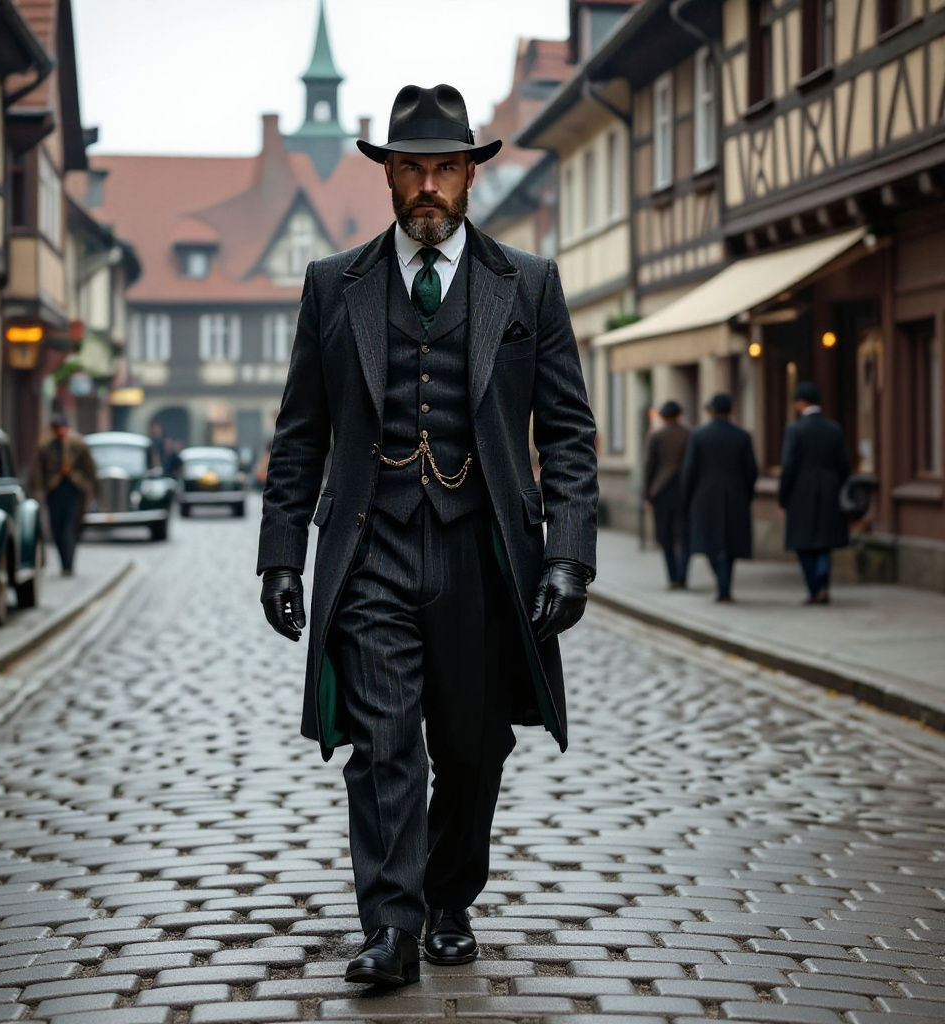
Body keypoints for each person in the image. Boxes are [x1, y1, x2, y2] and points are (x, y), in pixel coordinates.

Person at [256, 84, 598, 987]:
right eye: (413, 168)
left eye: (447, 167)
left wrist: (568, 551)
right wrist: (282, 554)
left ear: (471, 175)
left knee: (474, 748)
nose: (430, 186)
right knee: (384, 745)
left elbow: (566, 430)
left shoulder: (528, 284)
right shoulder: (336, 284)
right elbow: (300, 433)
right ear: (389, 175)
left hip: (485, 554)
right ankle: (391, 928)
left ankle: (450, 899)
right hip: (371, 548)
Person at [778, 381, 851, 604]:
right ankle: (823, 577)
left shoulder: (795, 429)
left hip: (801, 492)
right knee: (824, 540)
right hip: (830, 489)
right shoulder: (834, 428)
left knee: (803, 543)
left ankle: (814, 587)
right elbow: (844, 464)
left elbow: (788, 465)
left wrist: (783, 496)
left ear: (800, 403)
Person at [681, 392, 757, 602]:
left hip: (704, 497)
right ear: (731, 411)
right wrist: (746, 494)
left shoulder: (699, 435)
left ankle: (722, 584)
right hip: (736, 495)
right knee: (731, 544)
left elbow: (689, 470)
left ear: (712, 411)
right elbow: (751, 471)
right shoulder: (742, 436)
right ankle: (725, 585)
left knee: (708, 543)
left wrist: (687, 498)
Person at [30, 412, 97, 576]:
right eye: (56, 428)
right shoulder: (46, 446)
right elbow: (38, 471)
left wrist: (88, 487)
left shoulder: (78, 444)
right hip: (54, 490)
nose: (60, 431)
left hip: (74, 489)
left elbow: (89, 468)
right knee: (56, 528)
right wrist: (39, 490)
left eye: (62, 427)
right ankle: (63, 561)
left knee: (70, 527)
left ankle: (68, 564)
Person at [643, 399, 690, 588]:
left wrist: (647, 495)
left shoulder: (656, 436)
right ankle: (682, 575)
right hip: (684, 490)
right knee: (684, 535)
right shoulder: (689, 434)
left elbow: (650, 466)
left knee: (665, 536)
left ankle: (672, 577)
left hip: (661, 491)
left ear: (662, 416)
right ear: (679, 415)